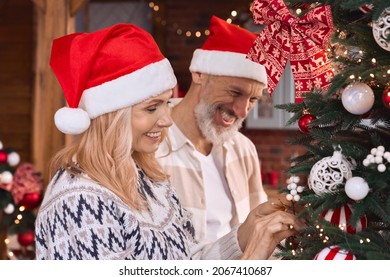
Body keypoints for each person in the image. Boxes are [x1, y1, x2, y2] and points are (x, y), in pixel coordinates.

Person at [34, 23, 301, 260]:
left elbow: (187, 262)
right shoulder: (79, 202)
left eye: (165, 104)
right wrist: (251, 261)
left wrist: (248, 231)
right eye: (152, 108)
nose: (167, 119)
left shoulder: (151, 179)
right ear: (112, 116)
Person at [156, 16, 269, 244]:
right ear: (199, 74)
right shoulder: (150, 145)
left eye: (253, 99)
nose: (242, 110)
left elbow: (258, 234)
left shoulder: (244, 149)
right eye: (235, 93)